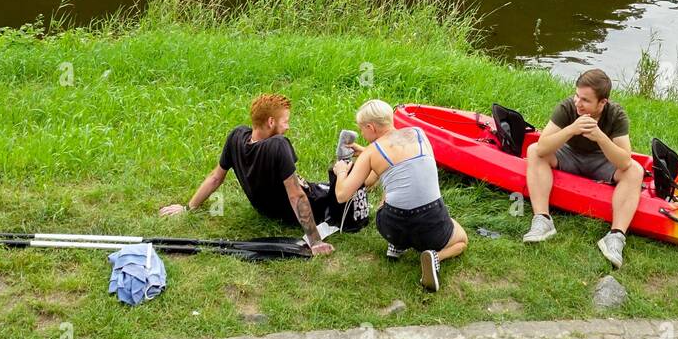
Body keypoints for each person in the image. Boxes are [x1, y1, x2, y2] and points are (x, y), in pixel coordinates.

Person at [159, 93, 334, 255]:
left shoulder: (236, 137)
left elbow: (215, 178)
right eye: (285, 121)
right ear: (271, 122)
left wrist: (188, 208)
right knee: (345, 177)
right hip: (317, 204)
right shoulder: (278, 145)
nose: (288, 127)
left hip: (269, 209)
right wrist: (315, 241)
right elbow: (296, 195)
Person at [333, 99, 467, 292]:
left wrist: (341, 172)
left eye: (362, 129)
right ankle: (435, 256)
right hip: (431, 225)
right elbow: (401, 167)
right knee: (461, 240)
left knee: (390, 190)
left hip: (392, 226)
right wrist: (364, 154)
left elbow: (342, 194)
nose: (362, 133)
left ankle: (397, 245)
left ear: (370, 127)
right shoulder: (419, 134)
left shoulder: (371, 153)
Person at [522, 69, 642, 269]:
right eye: (577, 95)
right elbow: (543, 146)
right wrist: (572, 129)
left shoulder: (616, 115)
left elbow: (624, 162)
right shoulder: (568, 107)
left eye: (585, 100)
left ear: (602, 103)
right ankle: (542, 220)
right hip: (568, 155)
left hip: (602, 161)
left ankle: (615, 237)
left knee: (635, 171)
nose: (578, 102)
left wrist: (600, 136)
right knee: (534, 151)